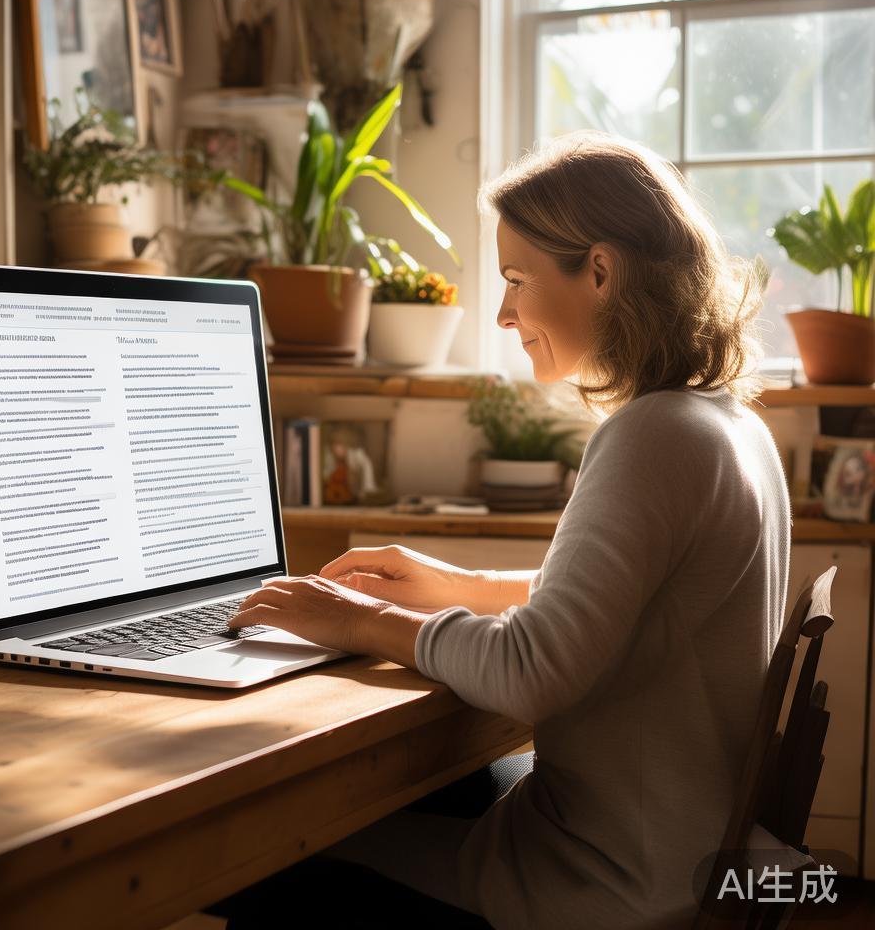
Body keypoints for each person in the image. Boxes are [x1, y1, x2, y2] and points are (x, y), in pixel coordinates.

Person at [212, 131, 791, 929]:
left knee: (256, 852)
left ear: (599, 270)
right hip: (673, 847)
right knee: (425, 791)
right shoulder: (726, 422)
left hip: (606, 883)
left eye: (517, 279)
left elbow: (530, 673)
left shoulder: (655, 436)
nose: (504, 310)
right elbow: (633, 606)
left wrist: (355, 620)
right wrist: (461, 588)